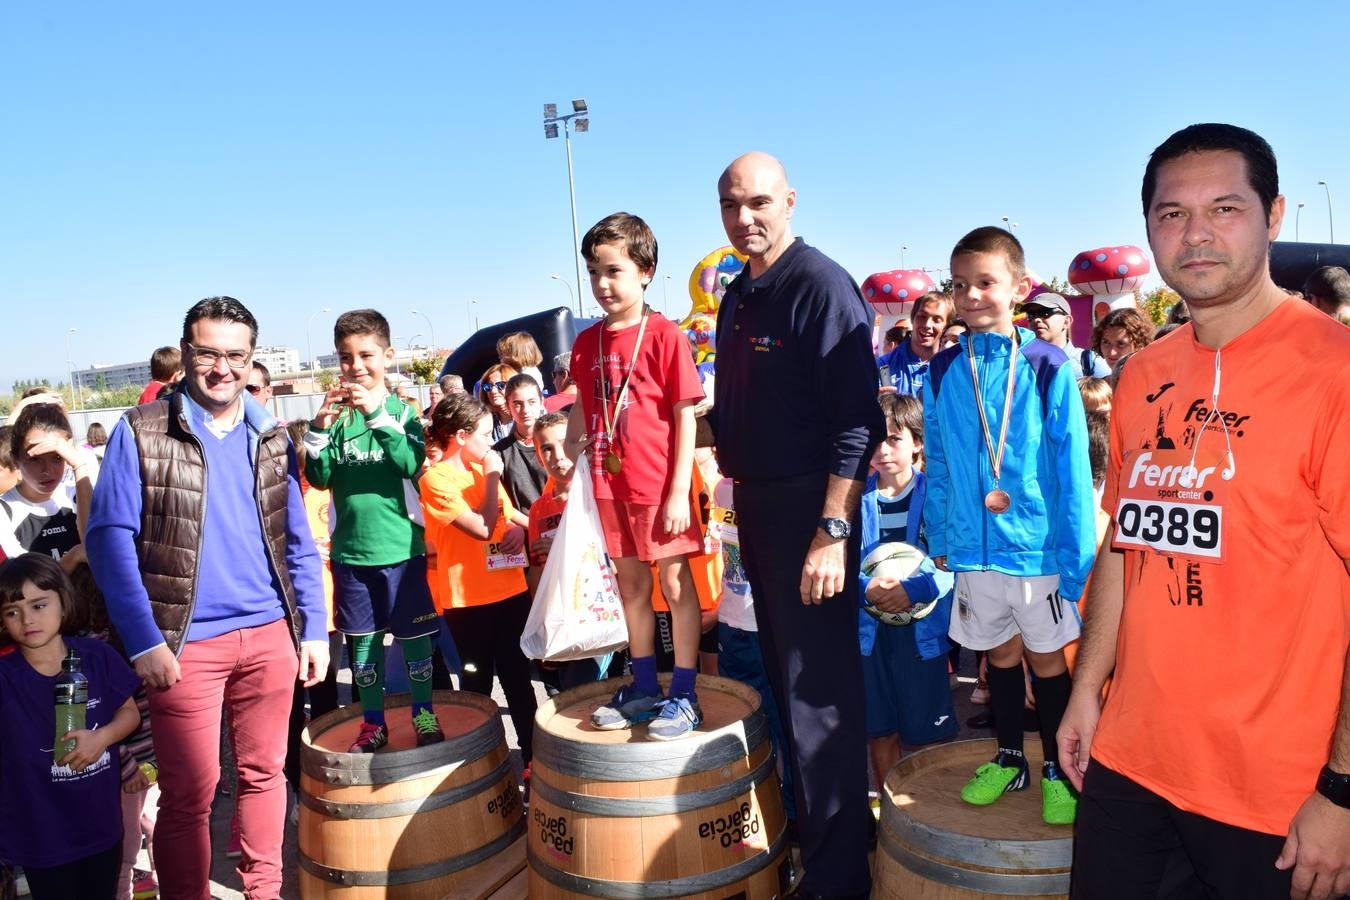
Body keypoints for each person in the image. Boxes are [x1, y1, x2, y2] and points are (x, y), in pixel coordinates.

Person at [1058, 123, 1350, 899]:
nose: (1195, 235)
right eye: (1170, 214)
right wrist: (1088, 688)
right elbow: (1126, 544)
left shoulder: (1335, 372)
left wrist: (1345, 790)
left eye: (1224, 208)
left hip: (1281, 795)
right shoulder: (1143, 372)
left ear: (1274, 215)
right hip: (1131, 762)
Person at [86, 296, 330, 899]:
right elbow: (109, 540)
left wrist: (315, 629)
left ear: (252, 361)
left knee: (265, 776)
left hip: (272, 635)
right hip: (183, 645)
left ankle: (264, 892)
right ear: (186, 354)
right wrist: (145, 641)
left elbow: (297, 540)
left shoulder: (271, 434)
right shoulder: (140, 432)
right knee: (191, 793)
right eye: (208, 353)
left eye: (236, 356)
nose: (222, 368)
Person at [711, 152, 882, 898]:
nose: (744, 217)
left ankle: (841, 877)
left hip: (813, 511)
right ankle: (825, 844)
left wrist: (832, 531)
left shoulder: (822, 286)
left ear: (789, 201)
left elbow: (857, 423)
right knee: (788, 693)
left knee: (819, 698)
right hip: (758, 509)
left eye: (757, 203)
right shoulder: (735, 294)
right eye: (730, 205)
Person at [923, 226, 1095, 826]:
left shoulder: (1048, 365)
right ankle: (1008, 757)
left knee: (1047, 661)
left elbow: (1072, 469)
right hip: (973, 550)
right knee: (996, 654)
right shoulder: (943, 369)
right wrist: (943, 538)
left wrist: (1076, 561)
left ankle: (1056, 765)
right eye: (961, 284)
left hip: (1035, 549)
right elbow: (938, 459)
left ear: (1019, 288)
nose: (971, 295)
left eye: (986, 283)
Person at [565, 211, 706, 742]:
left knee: (674, 583)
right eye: (594, 272)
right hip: (608, 482)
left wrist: (677, 492)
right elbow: (584, 408)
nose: (602, 284)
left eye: (613, 271)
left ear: (645, 271)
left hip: (658, 484)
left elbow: (684, 415)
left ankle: (685, 691)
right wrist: (563, 453)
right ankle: (645, 685)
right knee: (631, 587)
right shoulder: (587, 343)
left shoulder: (666, 335)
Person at [304, 308, 444, 752]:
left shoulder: (404, 412)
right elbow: (321, 476)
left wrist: (378, 417)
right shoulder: (337, 419)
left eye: (366, 355)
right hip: (351, 556)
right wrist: (317, 430)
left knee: (415, 640)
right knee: (362, 648)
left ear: (388, 355)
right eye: (346, 358)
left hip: (402, 550)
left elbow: (411, 463)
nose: (356, 366)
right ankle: (372, 723)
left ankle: (423, 713)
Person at [0, 553, 141, 900]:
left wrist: (102, 738)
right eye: (12, 611)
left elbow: (131, 714)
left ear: (64, 602)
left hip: (102, 827)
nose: (27, 619)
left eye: (38, 605)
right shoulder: (5, 678)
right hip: (41, 835)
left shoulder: (98, 656)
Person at [419, 393, 537, 764]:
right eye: (485, 435)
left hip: (510, 590)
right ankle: (484, 765)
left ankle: (534, 760)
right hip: (468, 601)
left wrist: (532, 530)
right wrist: (491, 473)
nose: (490, 443)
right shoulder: (436, 480)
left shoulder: (480, 470)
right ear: (461, 436)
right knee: (477, 686)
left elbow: (507, 514)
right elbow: (484, 528)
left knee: (519, 681)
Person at [859, 393, 957, 796]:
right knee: (879, 729)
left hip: (922, 637)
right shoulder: (852, 498)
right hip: (868, 638)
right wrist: (865, 588)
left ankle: (929, 812)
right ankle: (888, 811)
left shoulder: (938, 494)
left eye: (894, 439)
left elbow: (953, 561)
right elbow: (839, 560)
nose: (883, 451)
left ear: (917, 441)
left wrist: (913, 589)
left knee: (926, 734)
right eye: (874, 440)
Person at [0, 402, 97, 572]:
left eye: (57, 457)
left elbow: (95, 547)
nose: (48, 470)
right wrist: (72, 558)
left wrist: (79, 466)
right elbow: (26, 582)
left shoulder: (78, 495)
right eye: (36, 459)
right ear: (15, 459)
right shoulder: (5, 511)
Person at [492, 373, 548, 514]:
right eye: (517, 404)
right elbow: (502, 503)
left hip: (559, 526)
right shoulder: (499, 452)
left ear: (541, 401)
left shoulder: (556, 442)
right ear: (508, 406)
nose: (525, 410)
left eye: (532, 402)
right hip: (522, 531)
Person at [878, 292, 953, 396]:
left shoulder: (952, 368)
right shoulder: (884, 365)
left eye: (937, 320)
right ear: (912, 319)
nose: (927, 325)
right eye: (922, 316)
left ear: (946, 326)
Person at [1023, 293, 1112, 378]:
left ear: (1067, 321)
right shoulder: (1020, 362)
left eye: (1045, 313)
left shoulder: (1089, 362)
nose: (1036, 320)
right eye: (1031, 315)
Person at [1091, 307, 1154, 371]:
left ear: (1139, 345)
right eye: (1106, 342)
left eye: (1121, 344)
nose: (1112, 352)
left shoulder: (1155, 379)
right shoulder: (1099, 380)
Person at [476, 362, 518, 442]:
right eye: (488, 386)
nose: (493, 391)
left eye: (501, 385)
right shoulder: (484, 421)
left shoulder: (525, 417)